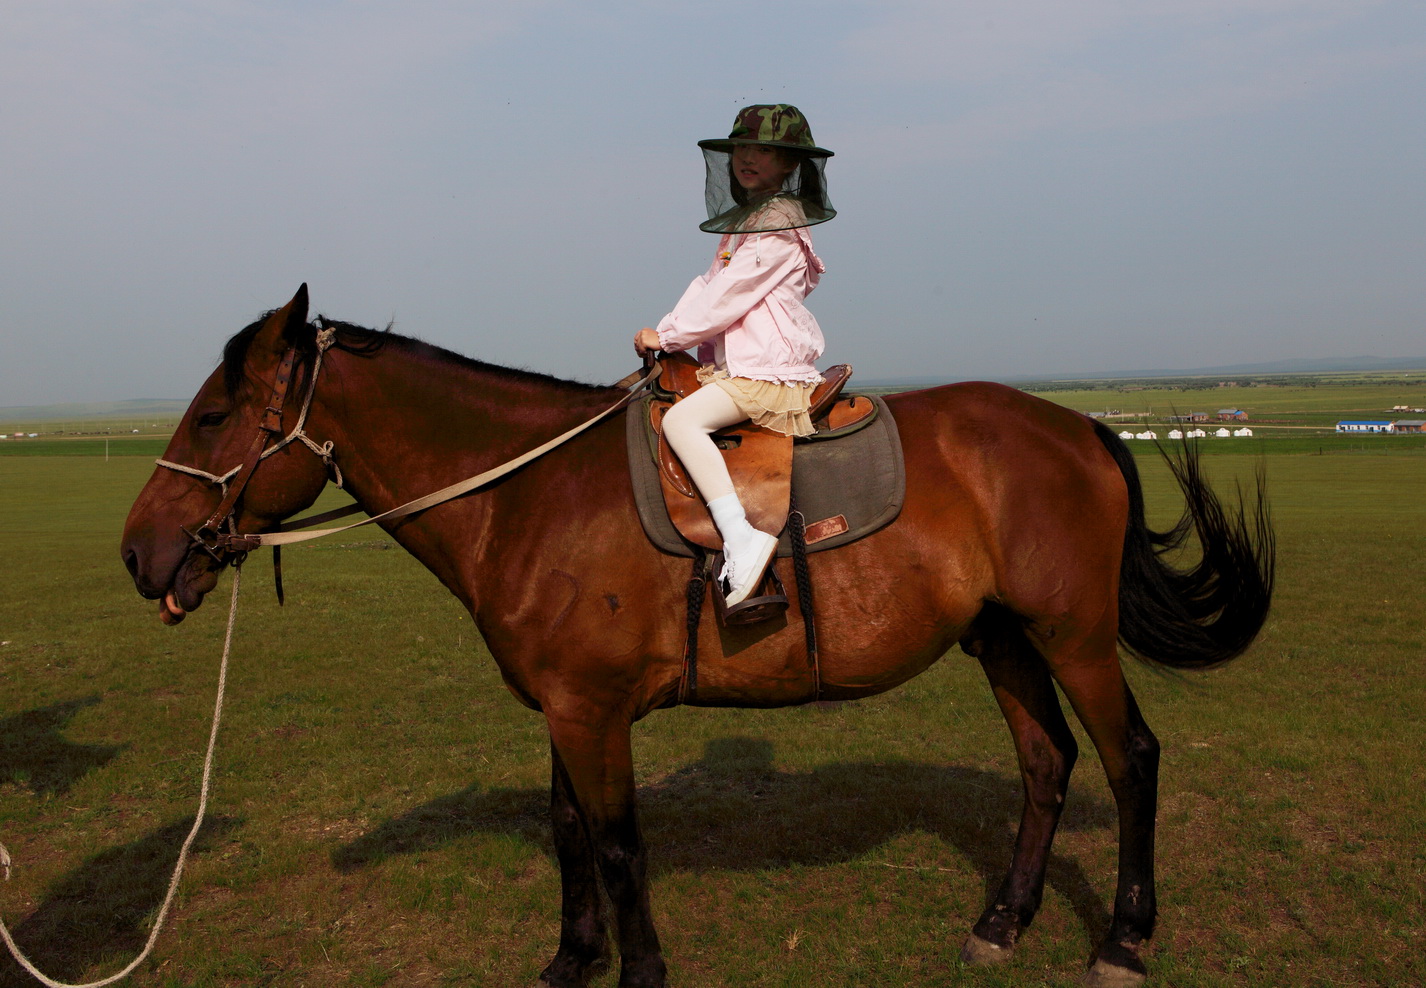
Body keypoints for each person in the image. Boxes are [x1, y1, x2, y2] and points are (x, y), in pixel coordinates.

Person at [634, 104, 835, 607]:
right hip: (742, 362)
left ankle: (741, 539)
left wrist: (672, 336)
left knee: (681, 424)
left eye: (764, 150)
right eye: (742, 148)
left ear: (789, 164)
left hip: (766, 367)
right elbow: (710, 283)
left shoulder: (778, 222)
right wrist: (665, 331)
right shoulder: (751, 219)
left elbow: (732, 293)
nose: (748, 158)